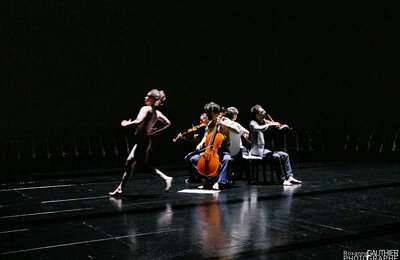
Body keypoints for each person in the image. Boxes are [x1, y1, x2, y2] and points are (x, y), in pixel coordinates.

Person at [109, 89, 173, 196]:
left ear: (152, 100)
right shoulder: (156, 112)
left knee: (141, 166)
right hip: (143, 141)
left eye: (147, 96)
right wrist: (154, 130)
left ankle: (166, 177)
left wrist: (127, 124)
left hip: (142, 141)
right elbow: (167, 123)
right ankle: (120, 188)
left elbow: (138, 121)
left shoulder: (146, 108)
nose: (145, 97)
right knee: (130, 162)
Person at [189, 102, 240, 190]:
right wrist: (201, 143)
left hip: (223, 150)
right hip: (210, 151)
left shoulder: (225, 120)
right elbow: (206, 136)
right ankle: (204, 180)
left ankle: (220, 182)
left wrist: (225, 125)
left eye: (207, 112)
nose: (206, 114)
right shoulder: (210, 124)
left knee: (226, 159)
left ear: (212, 111)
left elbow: (237, 131)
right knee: (193, 159)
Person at [249, 104, 301, 186]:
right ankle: (282, 180)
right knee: (276, 156)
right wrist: (270, 125)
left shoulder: (266, 121)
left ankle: (290, 177)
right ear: (257, 115)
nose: (265, 112)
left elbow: (276, 128)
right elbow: (259, 128)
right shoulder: (253, 123)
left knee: (285, 155)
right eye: (262, 111)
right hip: (258, 150)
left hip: (267, 150)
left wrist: (282, 128)